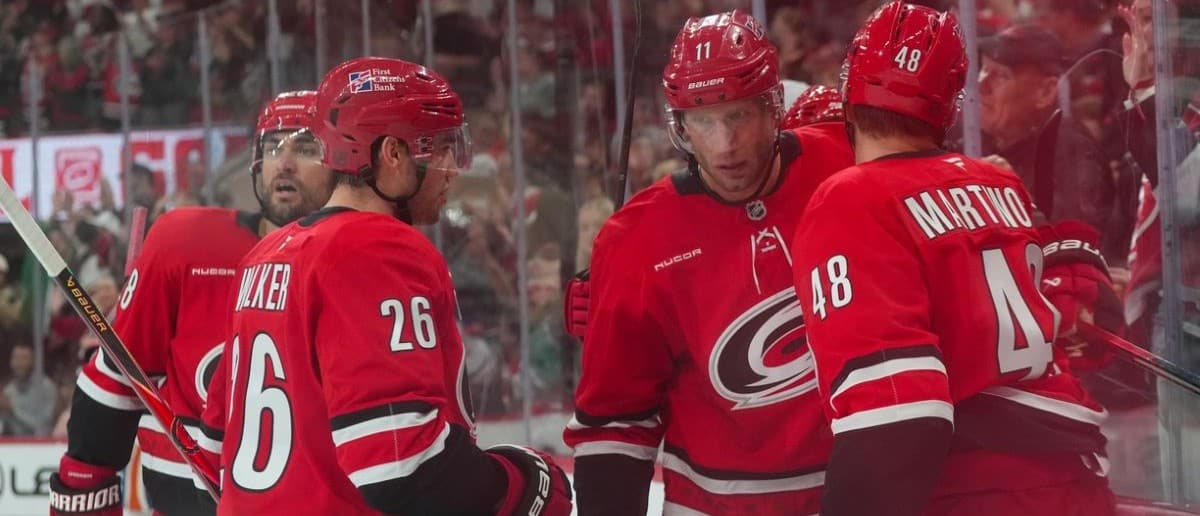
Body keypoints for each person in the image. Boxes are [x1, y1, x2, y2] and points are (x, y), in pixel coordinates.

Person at [202, 56, 572, 515]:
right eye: (439, 148)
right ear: (391, 154)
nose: (453, 167)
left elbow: (216, 438)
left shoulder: (267, 253)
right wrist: (522, 484)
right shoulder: (376, 248)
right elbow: (400, 466)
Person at [791, 3, 1116, 515]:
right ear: (948, 105)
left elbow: (895, 418)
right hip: (1075, 478)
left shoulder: (850, 199)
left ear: (850, 95)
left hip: (971, 489)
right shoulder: (999, 181)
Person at [563, 10, 853, 515]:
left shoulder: (846, 165)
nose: (724, 146)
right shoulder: (635, 239)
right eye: (703, 120)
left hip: (853, 492)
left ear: (772, 106)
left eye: (737, 115)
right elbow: (615, 420)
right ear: (680, 125)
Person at [49, 90, 337, 516]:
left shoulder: (362, 262)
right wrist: (82, 489)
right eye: (272, 146)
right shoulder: (185, 242)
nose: (285, 161)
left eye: (306, 147)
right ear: (257, 164)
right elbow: (119, 377)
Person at [0, 343, 57, 436]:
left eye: (24, 358)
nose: (19, 363)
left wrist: (13, 410)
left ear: (33, 361)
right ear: (11, 362)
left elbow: (43, 428)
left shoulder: (46, 387)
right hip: (13, 446)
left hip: (39, 446)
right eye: (16, 358)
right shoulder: (9, 391)